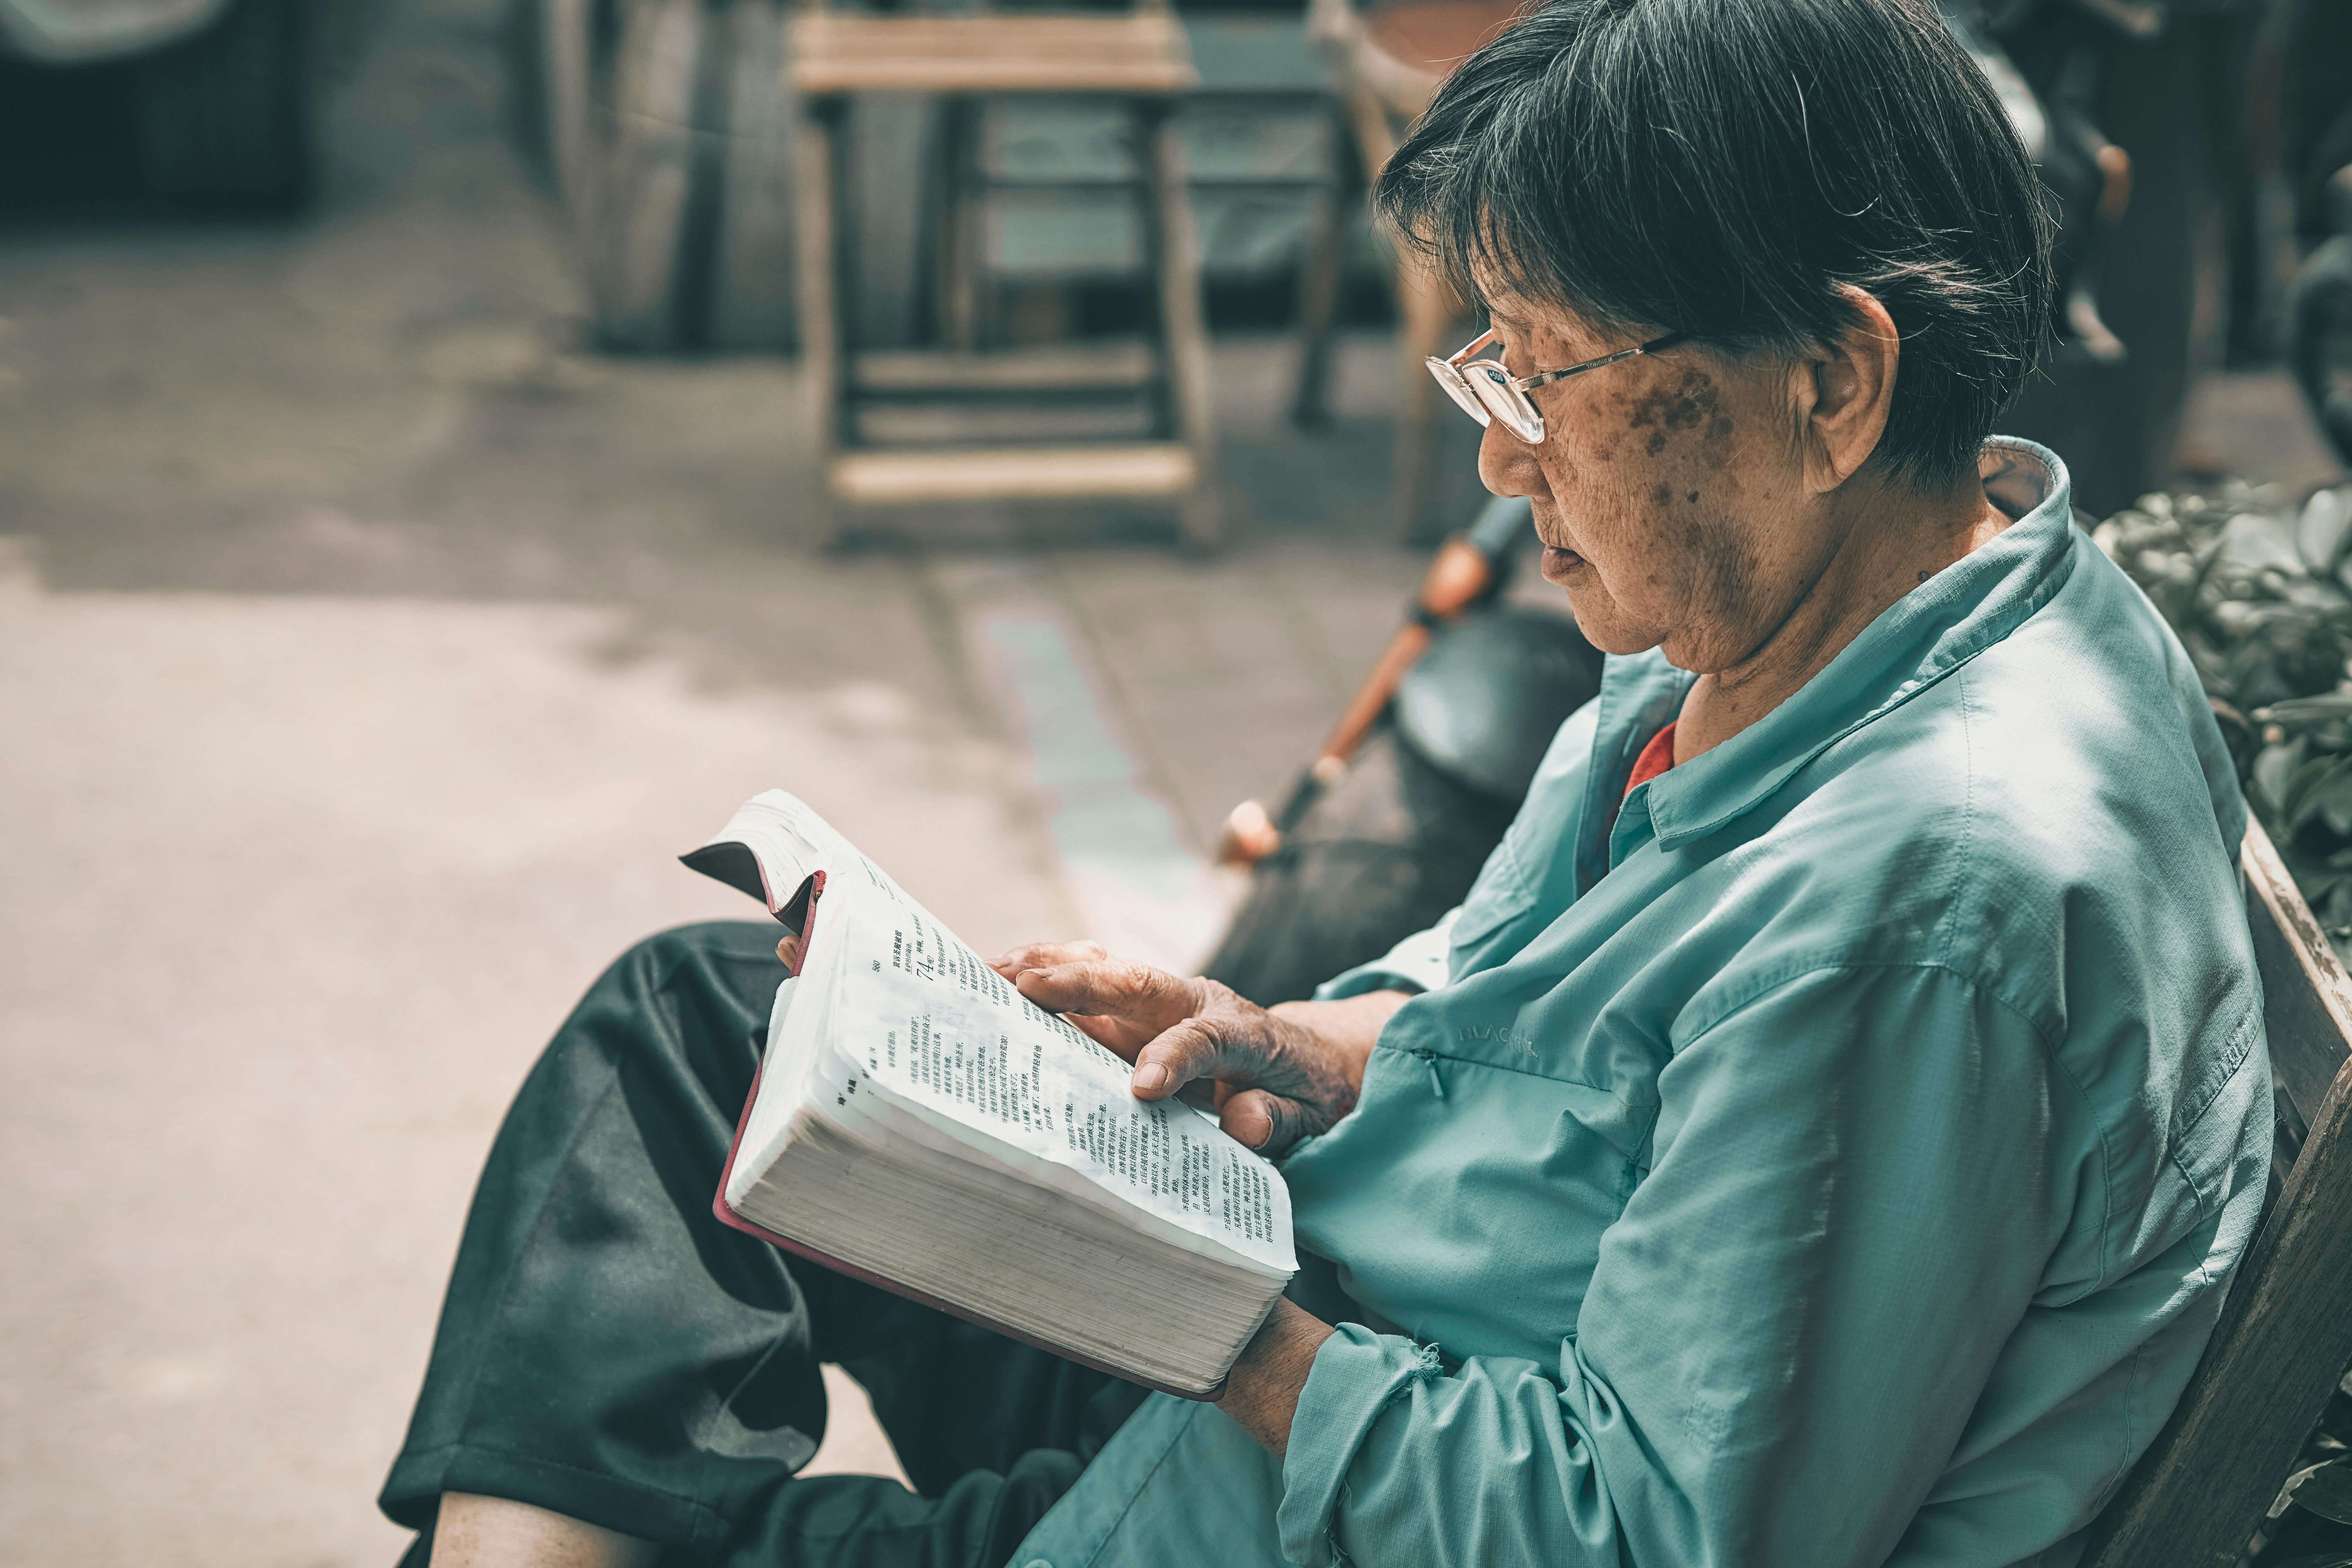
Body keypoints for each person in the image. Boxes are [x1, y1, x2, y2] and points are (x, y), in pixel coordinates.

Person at [380, 0, 2274, 1562]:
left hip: (1321, 1487)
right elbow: (1565, 1025)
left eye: (1546, 377)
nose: (1501, 465)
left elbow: (1638, 1541)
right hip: (1341, 1336)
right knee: (708, 1016)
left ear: (1831, 383)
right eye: (1490, 375)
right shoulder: (1841, 615)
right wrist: (1298, 1047)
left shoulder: (1925, 903)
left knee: (607, 1502)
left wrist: (1218, 1335)